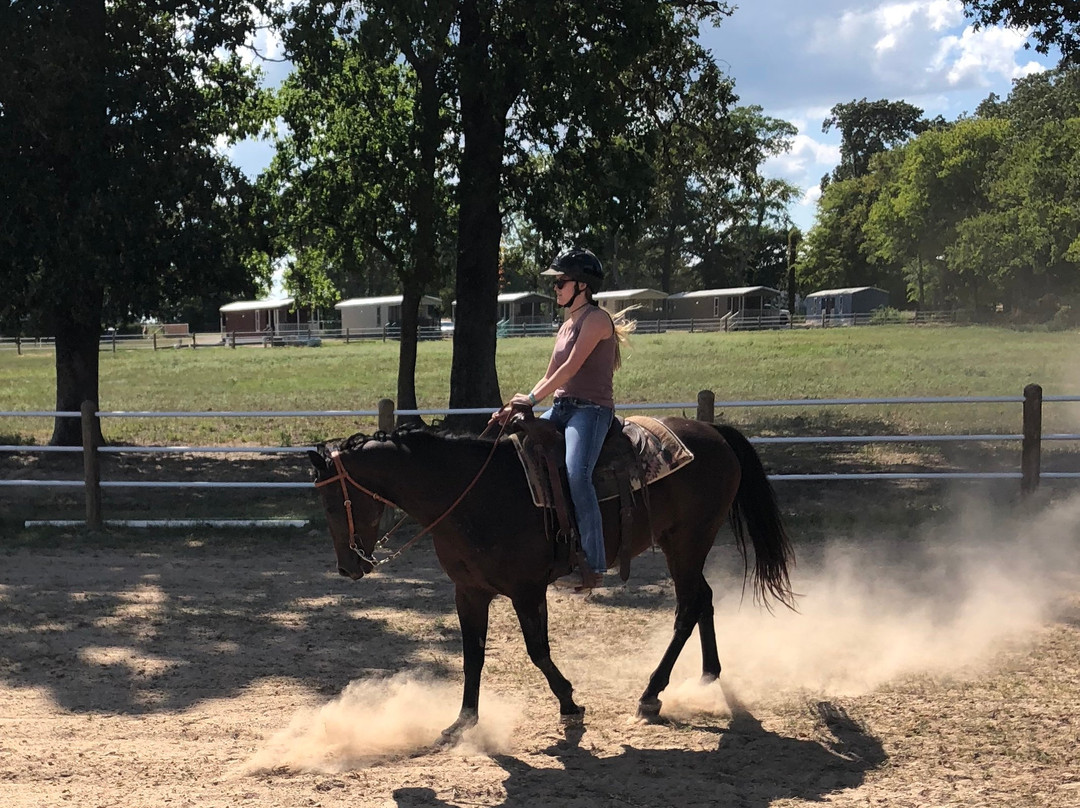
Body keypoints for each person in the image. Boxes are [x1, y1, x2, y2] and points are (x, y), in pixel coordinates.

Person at [507, 247, 633, 592]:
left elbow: (570, 368)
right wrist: (516, 408)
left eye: (560, 282)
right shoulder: (567, 325)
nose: (556, 288)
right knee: (517, 455)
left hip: (591, 411)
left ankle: (593, 564)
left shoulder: (596, 320)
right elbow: (551, 373)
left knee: (578, 475)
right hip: (562, 408)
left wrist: (533, 399)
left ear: (581, 285)